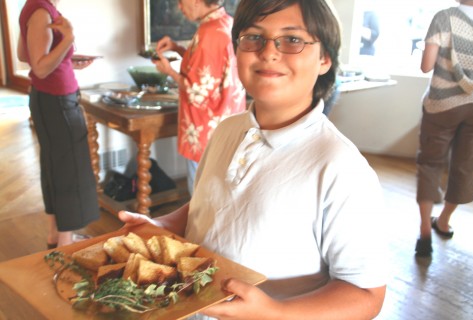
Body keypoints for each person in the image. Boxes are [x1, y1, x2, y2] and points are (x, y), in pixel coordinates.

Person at [119, 0, 388, 318]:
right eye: (254, 37)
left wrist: (275, 312)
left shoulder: (341, 168)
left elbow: (366, 294)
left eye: (292, 39)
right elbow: (210, 203)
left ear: (325, 58)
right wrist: (164, 224)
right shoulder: (226, 130)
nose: (269, 52)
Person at [17, 0, 100, 248]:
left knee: (55, 166)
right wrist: (68, 39)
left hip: (47, 99)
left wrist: (67, 60)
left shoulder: (35, 6)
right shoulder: (42, 10)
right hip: (57, 100)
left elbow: (25, 54)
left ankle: (57, 234)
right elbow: (41, 68)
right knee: (70, 170)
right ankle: (66, 242)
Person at [152, 0, 246, 195]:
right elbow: (210, 70)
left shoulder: (208, 33)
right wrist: (177, 48)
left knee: (200, 196)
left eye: (180, 1)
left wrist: (168, 70)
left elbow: (198, 93)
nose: (179, 6)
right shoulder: (226, 23)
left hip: (206, 127)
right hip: (227, 120)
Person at [414, 0, 473, 258]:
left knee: (430, 164)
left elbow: (426, 65)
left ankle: (424, 233)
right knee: (465, 165)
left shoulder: (444, 18)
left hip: (443, 105)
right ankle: (443, 221)